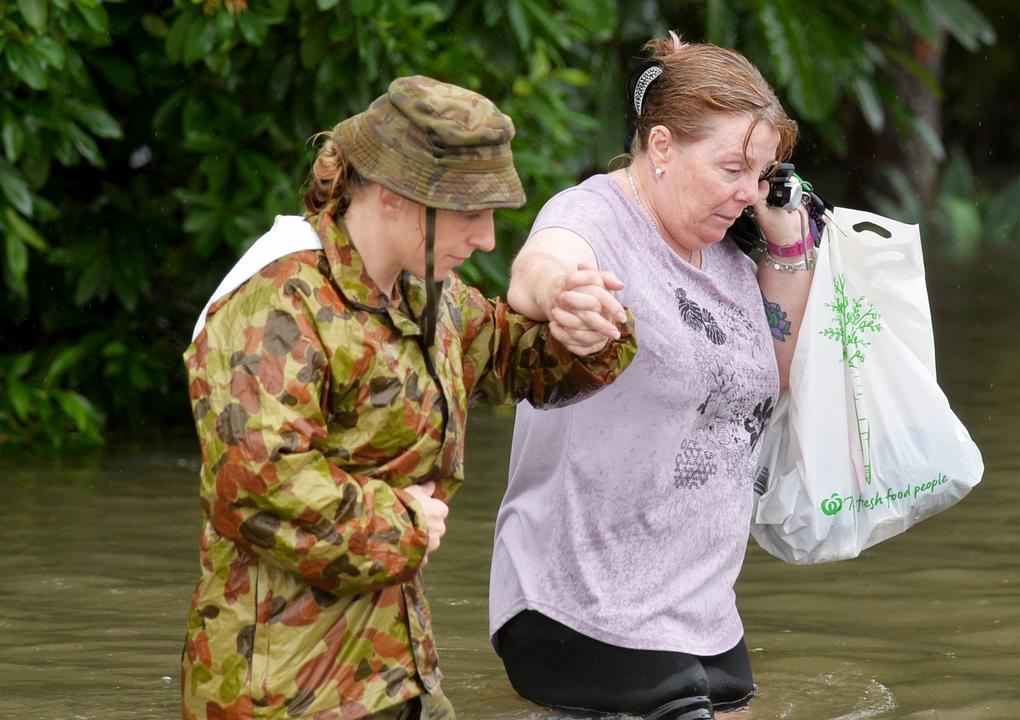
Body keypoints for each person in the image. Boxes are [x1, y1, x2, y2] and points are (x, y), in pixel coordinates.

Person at [181, 76, 636, 720]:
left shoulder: (427, 297)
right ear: (396, 199)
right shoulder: (277, 303)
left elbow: (510, 356)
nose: (485, 239)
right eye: (469, 213)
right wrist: (403, 524)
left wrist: (587, 326)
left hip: (400, 679)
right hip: (280, 692)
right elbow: (255, 480)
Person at [488, 34, 820, 719]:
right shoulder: (596, 216)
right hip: (580, 600)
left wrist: (788, 249)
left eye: (760, 176)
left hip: (703, 614)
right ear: (662, 147)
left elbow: (772, 382)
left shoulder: (728, 259)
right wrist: (563, 297)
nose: (746, 193)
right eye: (731, 168)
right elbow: (538, 267)